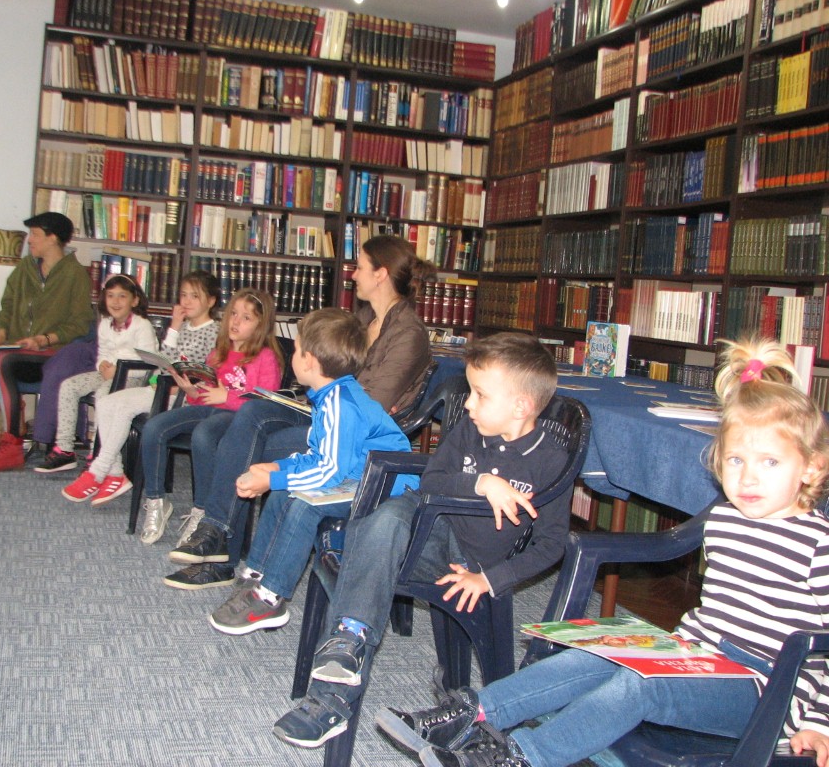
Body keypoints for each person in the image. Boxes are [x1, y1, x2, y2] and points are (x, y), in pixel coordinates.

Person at [377, 336, 829, 767]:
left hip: (766, 687)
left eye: (770, 462)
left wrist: (818, 722)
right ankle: (470, 714)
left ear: (812, 467)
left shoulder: (817, 542)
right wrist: (666, 646)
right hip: (700, 654)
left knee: (641, 684)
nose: (748, 478)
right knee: (595, 654)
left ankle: (524, 755)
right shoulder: (727, 518)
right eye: (736, 460)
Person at [271, 332, 571, 748]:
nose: (468, 404)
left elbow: (552, 544)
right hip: (426, 527)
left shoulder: (550, 460)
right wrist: (480, 482)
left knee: (370, 542)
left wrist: (491, 579)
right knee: (386, 518)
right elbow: (432, 480)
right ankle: (347, 646)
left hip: (466, 561)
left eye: (480, 395)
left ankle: (332, 692)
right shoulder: (469, 430)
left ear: (520, 406)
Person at [165, 234, 435, 588]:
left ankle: (221, 551)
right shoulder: (363, 318)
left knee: (246, 441)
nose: (353, 275)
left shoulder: (408, 332)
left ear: (381, 273)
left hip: (348, 433)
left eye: (360, 267)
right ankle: (217, 536)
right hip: (319, 408)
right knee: (244, 416)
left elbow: (370, 404)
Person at [203, 308, 417, 631]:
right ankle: (257, 575)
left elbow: (329, 471)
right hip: (357, 476)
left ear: (310, 361)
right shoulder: (329, 396)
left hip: (385, 487)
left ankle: (270, 598)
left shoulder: (341, 404)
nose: (292, 355)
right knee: (284, 492)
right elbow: (320, 457)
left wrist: (273, 478)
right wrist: (278, 467)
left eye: (296, 348)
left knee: (303, 505)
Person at [0, 211, 94, 471]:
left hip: (52, 355)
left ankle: (11, 445)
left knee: (0, 360)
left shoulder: (75, 274)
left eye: (35, 234)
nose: (29, 240)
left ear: (53, 238)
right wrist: (1, 333)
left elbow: (80, 323)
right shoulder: (25, 267)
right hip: (19, 349)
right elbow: (8, 306)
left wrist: (43, 339)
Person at [136, 287, 283, 545]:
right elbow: (204, 395)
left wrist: (226, 396)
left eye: (246, 317)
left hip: (238, 418)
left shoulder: (265, 357)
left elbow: (265, 403)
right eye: (233, 314)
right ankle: (156, 501)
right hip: (209, 410)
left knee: (204, 434)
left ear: (261, 325)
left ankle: (202, 511)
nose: (235, 321)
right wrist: (192, 391)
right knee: (154, 427)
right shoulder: (218, 353)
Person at [58, 272, 221, 505]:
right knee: (105, 402)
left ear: (211, 301)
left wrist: (179, 385)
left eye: (194, 296)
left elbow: (208, 372)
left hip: (183, 397)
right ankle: (115, 474)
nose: (186, 301)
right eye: (183, 295)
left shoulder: (215, 331)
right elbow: (165, 361)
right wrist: (174, 327)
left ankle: (99, 471)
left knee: (123, 407)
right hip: (161, 388)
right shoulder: (183, 327)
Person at [25, 274, 153, 502]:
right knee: (69, 386)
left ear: (134, 300)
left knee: (104, 395)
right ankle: (65, 449)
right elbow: (102, 353)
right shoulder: (105, 324)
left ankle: (97, 454)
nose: (115, 301)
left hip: (132, 377)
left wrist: (119, 369)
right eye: (110, 296)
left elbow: (148, 361)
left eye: (122, 296)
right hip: (107, 373)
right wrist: (102, 365)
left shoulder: (142, 326)